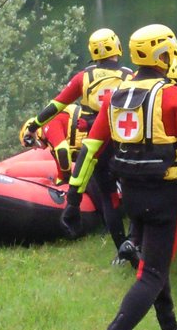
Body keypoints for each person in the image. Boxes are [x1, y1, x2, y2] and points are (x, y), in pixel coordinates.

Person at [63, 24, 177, 330]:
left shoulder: (115, 96)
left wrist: (73, 199)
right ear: (163, 56)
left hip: (131, 193)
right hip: (164, 194)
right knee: (152, 272)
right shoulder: (175, 96)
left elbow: (90, 150)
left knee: (154, 258)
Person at [21, 28, 133, 260]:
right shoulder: (129, 76)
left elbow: (57, 105)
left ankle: (121, 250)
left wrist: (34, 125)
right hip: (125, 143)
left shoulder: (83, 77)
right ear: (117, 47)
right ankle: (135, 242)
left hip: (97, 145)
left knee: (108, 196)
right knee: (132, 192)